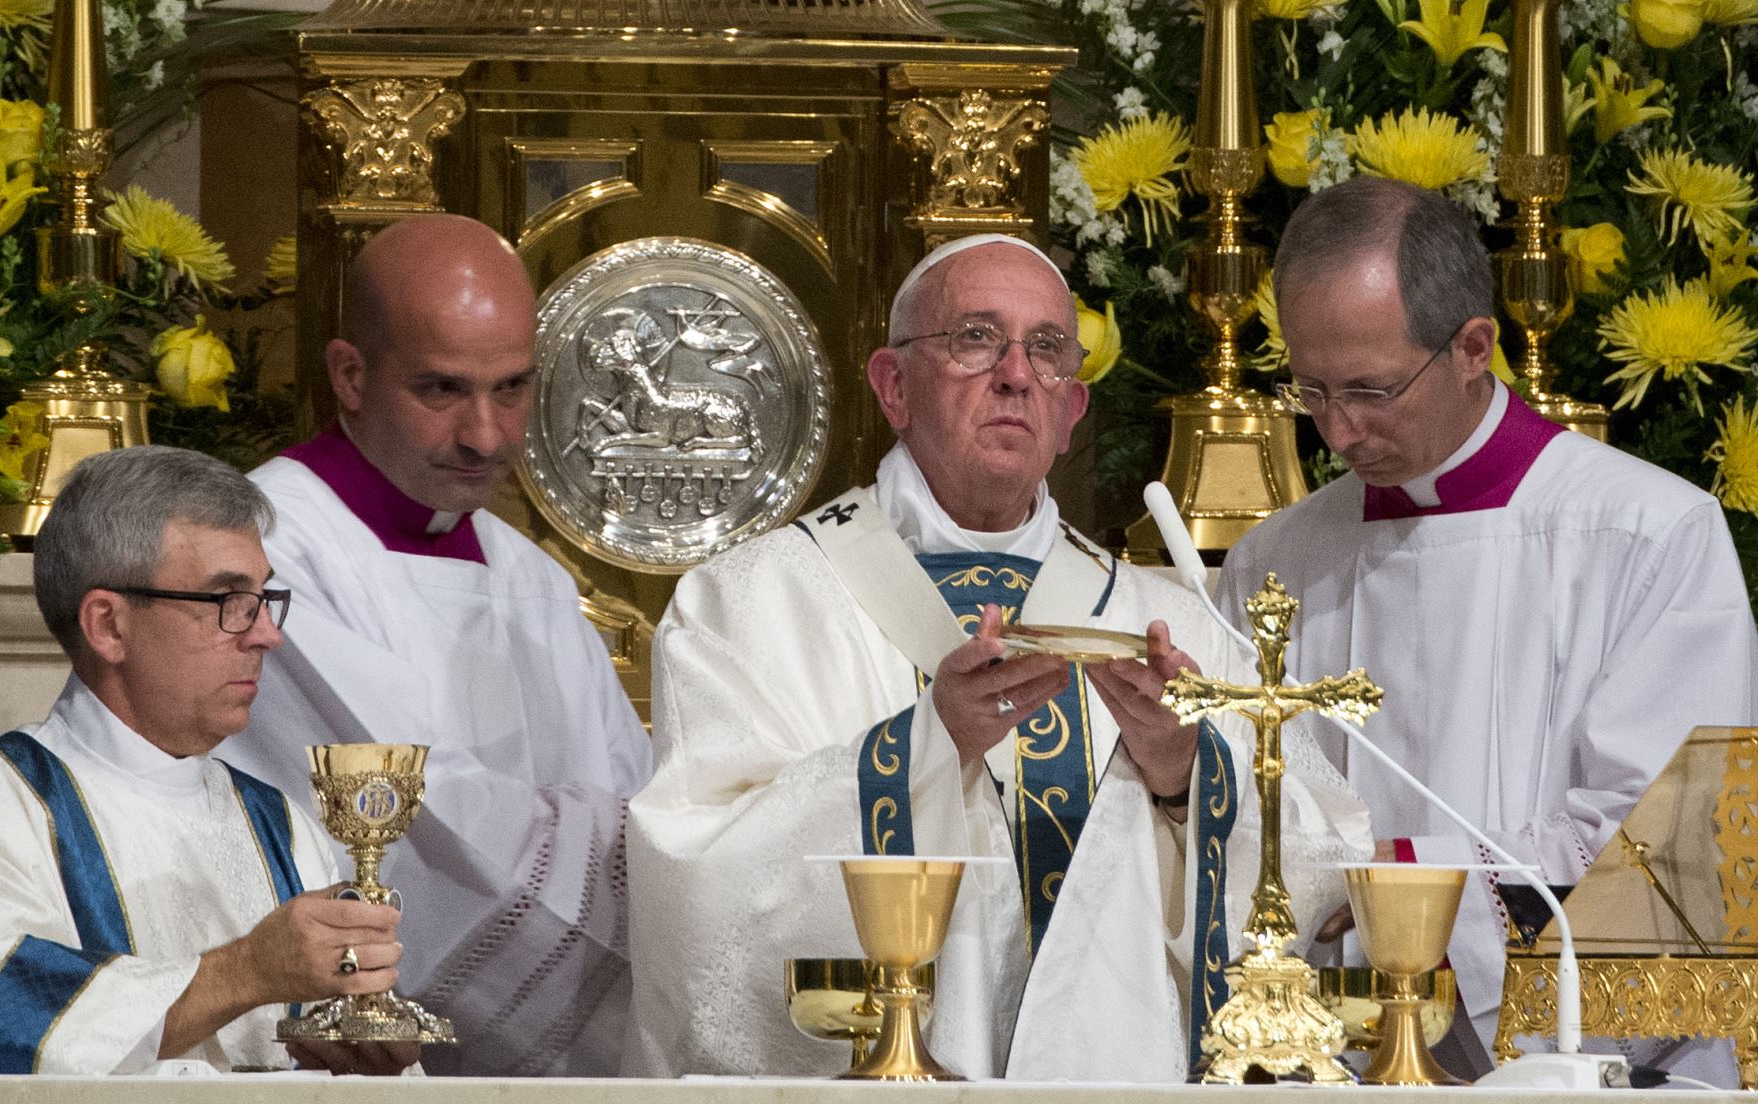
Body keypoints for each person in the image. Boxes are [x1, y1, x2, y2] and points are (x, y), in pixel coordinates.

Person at [625, 234, 1371, 1081]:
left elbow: (1321, 867)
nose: (1016, 374)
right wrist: (923, 748)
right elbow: (692, 881)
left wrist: (1183, 777)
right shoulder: (751, 603)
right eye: (976, 338)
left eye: (1047, 349)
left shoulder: (1164, 618)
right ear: (893, 386)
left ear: (1071, 413)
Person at [1219, 176, 1758, 1077]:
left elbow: (1671, 855)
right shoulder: (1279, 561)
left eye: (1370, 388)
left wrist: (1402, 880)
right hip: (1329, 1070)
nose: (1339, 429)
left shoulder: (1648, 536)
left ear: (1474, 346)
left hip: (1580, 1071)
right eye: (1309, 388)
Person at [225, 215, 653, 1076]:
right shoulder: (264, 546)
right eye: (442, 390)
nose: (486, 436)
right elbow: (421, 812)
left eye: (512, 389)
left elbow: (629, 792)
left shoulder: (527, 573)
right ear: (349, 375)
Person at [0, 446, 415, 1076]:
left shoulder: (278, 823)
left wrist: (360, 1058)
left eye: (262, 598)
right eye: (228, 600)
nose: (266, 633)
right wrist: (249, 970)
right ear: (108, 626)